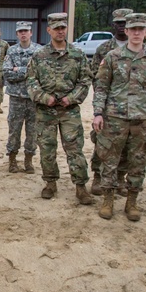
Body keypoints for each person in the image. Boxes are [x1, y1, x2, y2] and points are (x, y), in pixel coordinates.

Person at [92, 13, 146, 221]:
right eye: (133, 29)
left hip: (142, 119)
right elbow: (101, 87)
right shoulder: (113, 56)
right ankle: (108, 199)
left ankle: (132, 202)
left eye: (140, 29)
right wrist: (98, 113)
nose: (136, 33)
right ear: (126, 31)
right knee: (110, 159)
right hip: (114, 117)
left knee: (138, 161)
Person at [26, 13, 94, 204]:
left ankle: (81, 187)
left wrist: (71, 98)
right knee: (47, 149)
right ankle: (50, 183)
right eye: (56, 28)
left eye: (63, 28)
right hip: (45, 110)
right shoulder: (39, 55)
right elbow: (31, 81)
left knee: (74, 150)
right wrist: (44, 98)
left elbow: (85, 80)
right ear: (49, 30)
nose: (60, 31)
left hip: (69, 110)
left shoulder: (77, 55)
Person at [90, 8, 133, 195]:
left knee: (127, 144)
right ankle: (98, 177)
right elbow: (95, 77)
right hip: (108, 106)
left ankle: (120, 178)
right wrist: (101, 105)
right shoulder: (104, 49)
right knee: (102, 142)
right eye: (119, 23)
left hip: (133, 108)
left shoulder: (145, 50)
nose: (122, 26)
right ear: (113, 25)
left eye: (125, 23)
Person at [2, 20, 42, 174]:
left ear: (31, 32)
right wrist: (29, 71)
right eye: (20, 31)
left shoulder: (39, 51)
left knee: (32, 132)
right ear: (17, 34)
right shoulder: (11, 51)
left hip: (34, 98)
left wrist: (19, 69)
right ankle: (12, 160)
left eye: (26, 31)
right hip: (16, 98)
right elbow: (7, 73)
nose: (23, 33)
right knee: (14, 130)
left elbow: (41, 74)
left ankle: (28, 160)